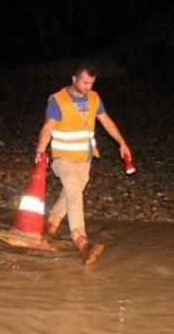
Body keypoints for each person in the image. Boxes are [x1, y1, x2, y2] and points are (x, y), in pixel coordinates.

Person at [34, 61, 132, 264]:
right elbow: (47, 128)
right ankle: (81, 241)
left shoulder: (94, 98)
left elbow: (106, 121)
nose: (88, 87)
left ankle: (50, 223)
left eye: (92, 83)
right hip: (63, 158)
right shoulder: (58, 100)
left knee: (71, 191)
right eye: (85, 82)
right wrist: (40, 150)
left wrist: (122, 143)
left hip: (84, 160)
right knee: (74, 192)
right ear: (74, 79)